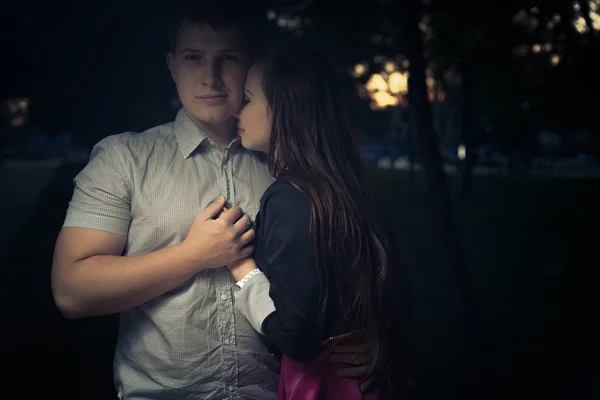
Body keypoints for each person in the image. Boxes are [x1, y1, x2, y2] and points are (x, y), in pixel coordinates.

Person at [51, 1, 373, 399]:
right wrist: (194, 255)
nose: (211, 77)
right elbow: (71, 292)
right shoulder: (123, 159)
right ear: (172, 66)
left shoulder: (295, 171)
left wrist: (373, 336)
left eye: (228, 58)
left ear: (251, 65)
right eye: (193, 57)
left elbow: (350, 265)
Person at [209, 43, 411, 399]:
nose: (236, 111)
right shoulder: (347, 185)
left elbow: (296, 337)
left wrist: (242, 267)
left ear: (285, 109)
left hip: (323, 385)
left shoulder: (289, 196)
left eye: (249, 98)